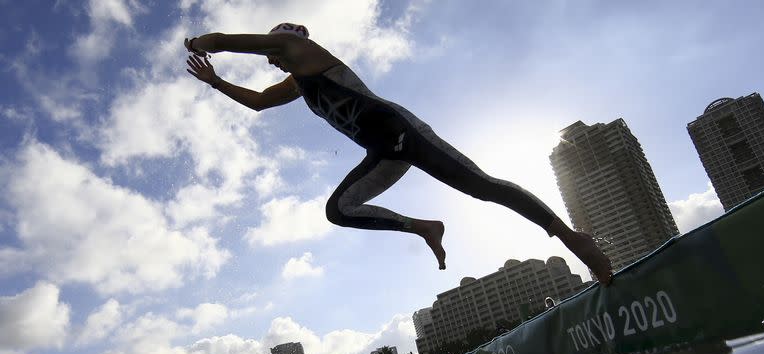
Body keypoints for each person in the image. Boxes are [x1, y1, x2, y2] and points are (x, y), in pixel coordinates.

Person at [184, 23, 613, 285]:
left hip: (403, 132)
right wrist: (215, 82)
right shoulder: (297, 83)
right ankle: (424, 227)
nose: (274, 62)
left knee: (482, 187)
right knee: (339, 209)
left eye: (274, 52)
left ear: (285, 44)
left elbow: (223, 39)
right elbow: (260, 102)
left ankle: (573, 239)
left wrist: (202, 41)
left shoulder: (304, 53)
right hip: (382, 152)